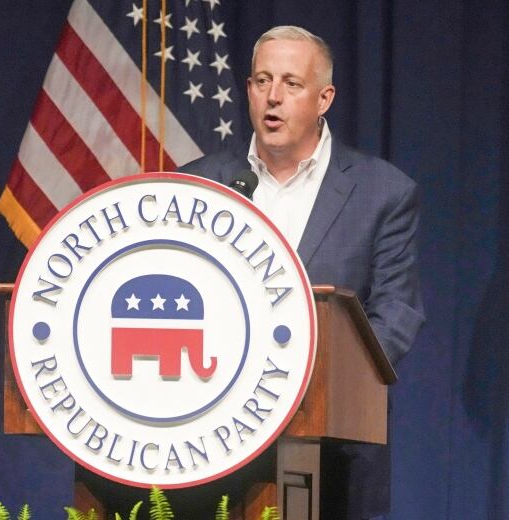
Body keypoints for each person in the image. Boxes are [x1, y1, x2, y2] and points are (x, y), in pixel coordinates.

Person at [178, 25, 425, 518]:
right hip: (210, 445)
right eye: (262, 80)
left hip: (331, 449)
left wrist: (308, 379)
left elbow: (396, 314)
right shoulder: (198, 183)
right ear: (247, 89)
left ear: (323, 98)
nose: (273, 97)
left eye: (291, 84)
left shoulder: (383, 192)